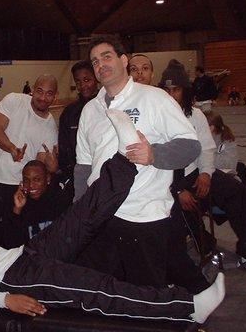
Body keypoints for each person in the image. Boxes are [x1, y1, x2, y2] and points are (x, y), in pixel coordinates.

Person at [0, 150, 225, 324]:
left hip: (24, 254)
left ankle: (125, 158)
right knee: (97, 291)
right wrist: (4, 301)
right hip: (16, 279)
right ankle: (187, 308)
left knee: (83, 214)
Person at [74, 37, 201, 288]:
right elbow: (84, 165)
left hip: (143, 215)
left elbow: (190, 146)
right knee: (107, 288)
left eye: (107, 57)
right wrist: (79, 210)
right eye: (95, 61)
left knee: (147, 290)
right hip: (101, 214)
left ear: (124, 61)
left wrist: (154, 154)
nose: (100, 65)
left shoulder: (154, 98)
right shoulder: (91, 109)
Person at [162, 64, 246, 281]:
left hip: (195, 172)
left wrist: (206, 174)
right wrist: (177, 191)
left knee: (236, 190)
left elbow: (206, 148)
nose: (171, 95)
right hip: (168, 180)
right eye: (167, 90)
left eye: (176, 89)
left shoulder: (196, 116)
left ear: (185, 90)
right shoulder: (156, 116)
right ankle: (205, 247)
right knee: (180, 210)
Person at [130, 57, 210, 293]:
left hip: (182, 176)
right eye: (134, 70)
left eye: (145, 69)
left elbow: (197, 149)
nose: (139, 74)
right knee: (166, 232)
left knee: (234, 191)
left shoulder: (186, 112)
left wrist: (205, 174)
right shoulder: (136, 104)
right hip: (153, 183)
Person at [0, 75, 59, 247]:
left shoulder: (50, 127)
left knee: (7, 244)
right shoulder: (14, 100)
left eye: (49, 93)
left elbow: (39, 164)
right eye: (39, 91)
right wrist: (11, 148)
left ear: (55, 96)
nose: (42, 97)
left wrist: (52, 167)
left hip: (15, 190)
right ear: (32, 89)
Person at [1, 160, 71, 249]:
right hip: (29, 258)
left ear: (48, 179)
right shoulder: (18, 202)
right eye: (26, 180)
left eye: (37, 180)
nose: (31, 185)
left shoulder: (60, 201)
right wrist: (17, 210)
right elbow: (9, 244)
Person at [58, 60, 99, 200]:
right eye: (78, 81)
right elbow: (64, 148)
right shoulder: (69, 112)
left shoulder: (108, 106)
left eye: (87, 80)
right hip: (78, 177)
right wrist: (69, 174)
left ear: (96, 78)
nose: (83, 85)